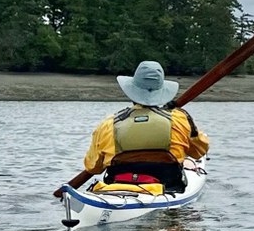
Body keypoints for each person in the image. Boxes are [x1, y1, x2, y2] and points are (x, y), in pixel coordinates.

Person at [74, 59, 208, 192]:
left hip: (118, 186)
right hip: (167, 187)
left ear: (131, 91)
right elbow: (198, 152)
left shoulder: (109, 124)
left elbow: (93, 167)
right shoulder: (180, 119)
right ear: (161, 91)